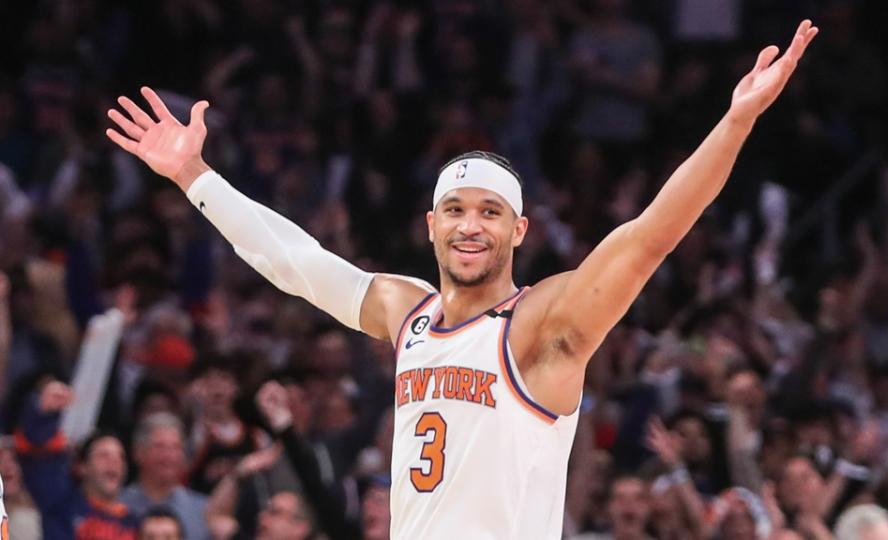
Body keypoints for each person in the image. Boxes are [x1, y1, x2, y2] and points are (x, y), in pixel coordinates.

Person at [105, 20, 818, 539]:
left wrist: (735, 121)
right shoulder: (406, 311)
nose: (470, 225)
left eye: (489, 212)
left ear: (519, 231)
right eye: (455, 210)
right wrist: (194, 176)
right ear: (431, 225)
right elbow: (295, 262)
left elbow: (650, 236)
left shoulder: (544, 325)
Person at [15, 379, 139, 539]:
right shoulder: (61, 505)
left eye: (121, 457)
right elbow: (38, 457)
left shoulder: (135, 524)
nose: (114, 461)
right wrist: (43, 415)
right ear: (82, 467)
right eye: (103, 455)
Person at [121, 413, 208, 540]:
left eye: (175, 447)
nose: (169, 456)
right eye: (159, 447)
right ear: (138, 452)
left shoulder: (204, 511)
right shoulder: (116, 505)